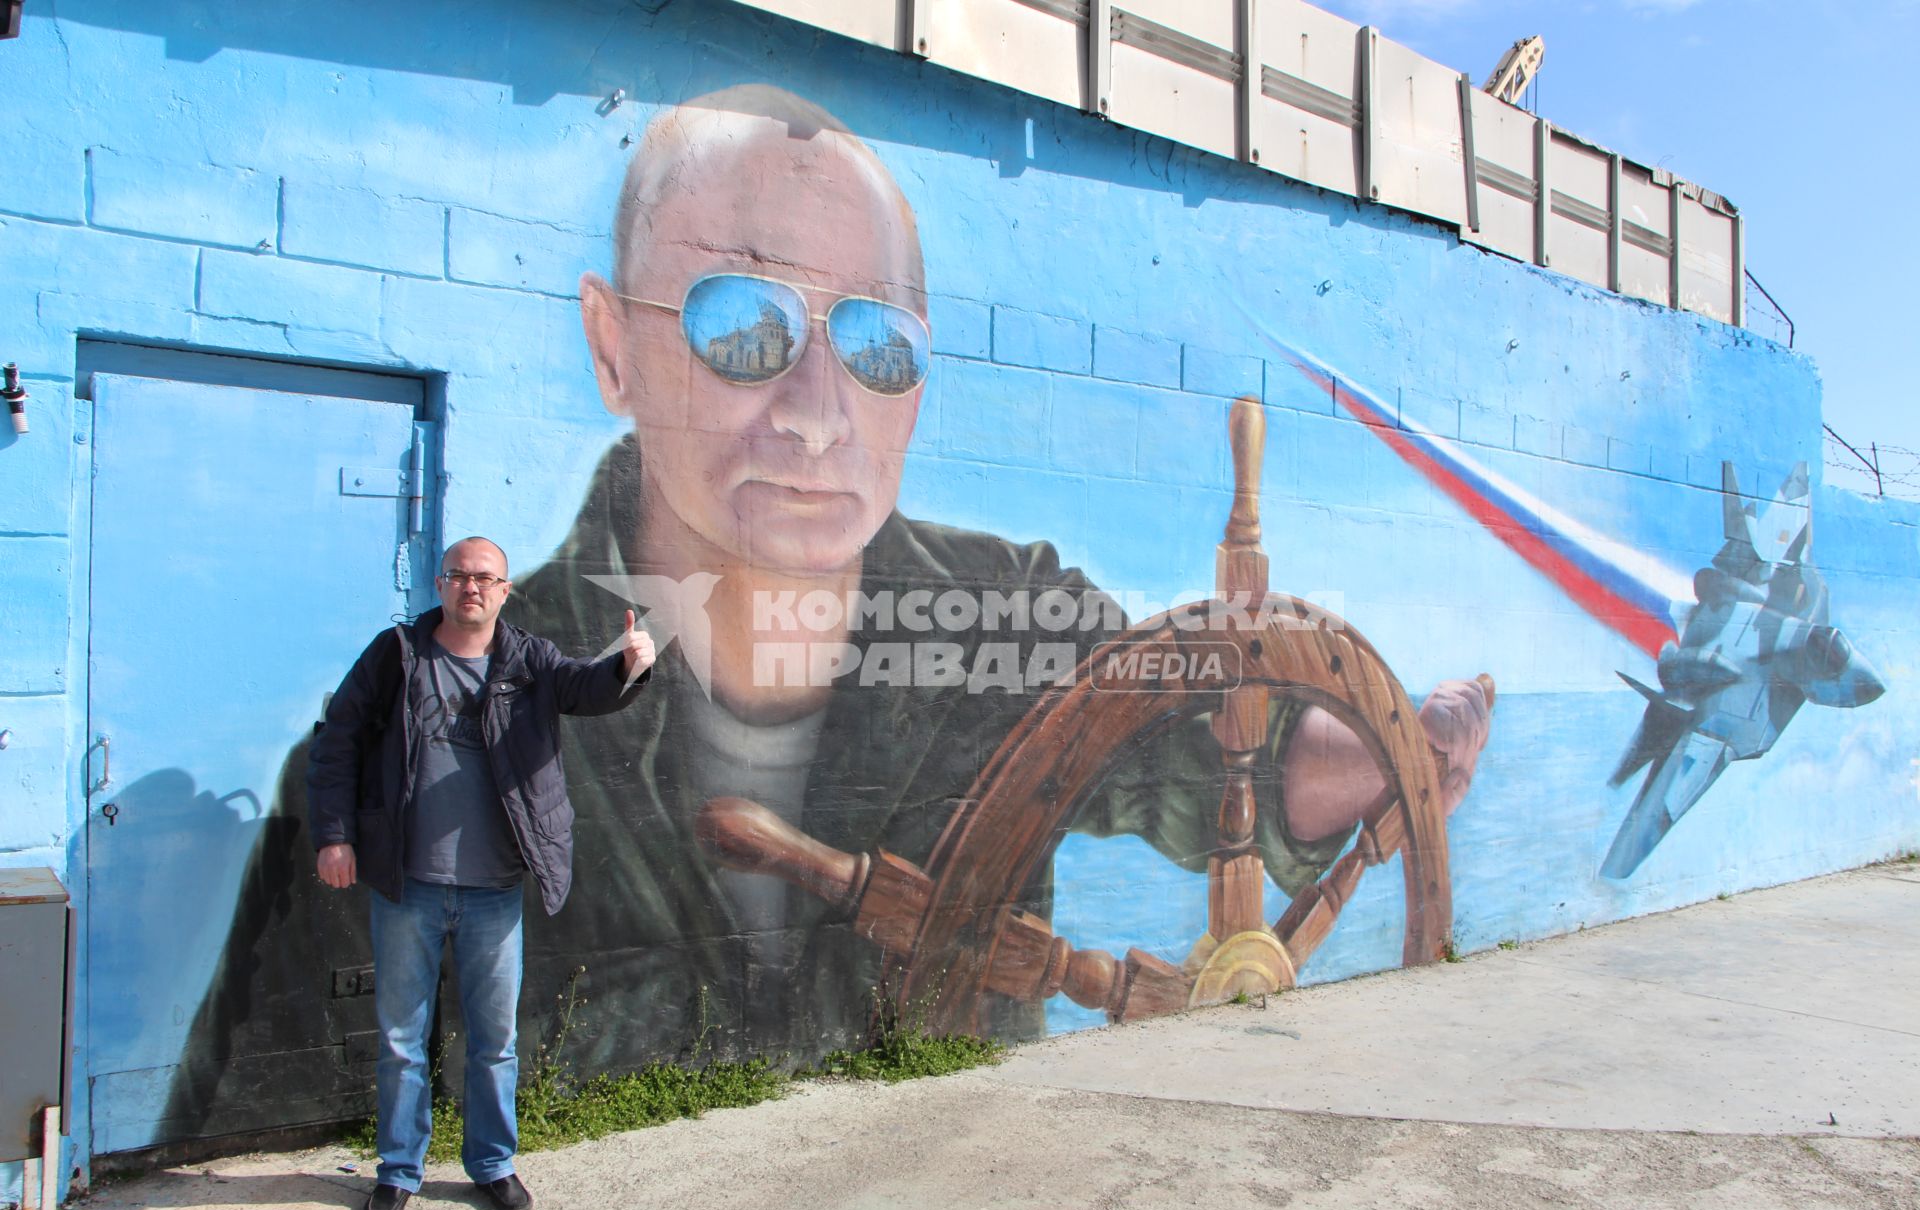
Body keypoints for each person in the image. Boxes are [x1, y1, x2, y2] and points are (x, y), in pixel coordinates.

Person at [168, 83, 1487, 1146]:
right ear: (610, 345)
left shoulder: (1008, 611)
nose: (815, 410)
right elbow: (259, 1119)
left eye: (876, 345)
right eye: (737, 322)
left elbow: (1194, 762)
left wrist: (1370, 759)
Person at [309, 536, 654, 1210]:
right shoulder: (396, 658)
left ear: (504, 591)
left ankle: (493, 1165)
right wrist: (334, 835)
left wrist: (628, 667)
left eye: (486, 578)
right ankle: (399, 1172)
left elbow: (587, 690)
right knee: (402, 1042)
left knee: (494, 1041)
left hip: (494, 888)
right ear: (440, 584)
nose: (472, 588)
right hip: (408, 885)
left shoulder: (529, 661)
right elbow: (338, 739)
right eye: (460, 576)